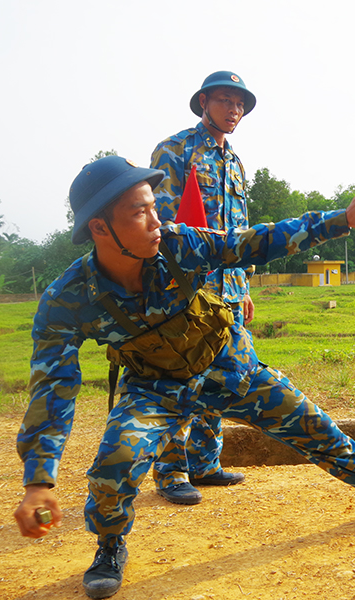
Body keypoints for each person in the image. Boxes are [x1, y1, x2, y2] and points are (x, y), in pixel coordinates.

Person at [13, 156, 355, 600]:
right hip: (154, 389)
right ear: (100, 229)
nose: (157, 221)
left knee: (313, 425)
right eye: (139, 213)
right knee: (113, 466)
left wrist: (337, 222)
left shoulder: (179, 245)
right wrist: (38, 482)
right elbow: (52, 391)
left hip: (225, 368)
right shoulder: (68, 299)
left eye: (154, 206)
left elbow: (250, 243)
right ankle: (109, 544)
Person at [147, 71, 258, 505]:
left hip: (229, 290)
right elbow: (163, 224)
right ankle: (171, 472)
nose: (234, 111)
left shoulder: (235, 162)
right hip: (189, 289)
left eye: (240, 105)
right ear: (204, 102)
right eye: (226, 101)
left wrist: (244, 285)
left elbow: (240, 233)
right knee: (182, 378)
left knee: (224, 379)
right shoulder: (175, 150)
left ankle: (204, 463)